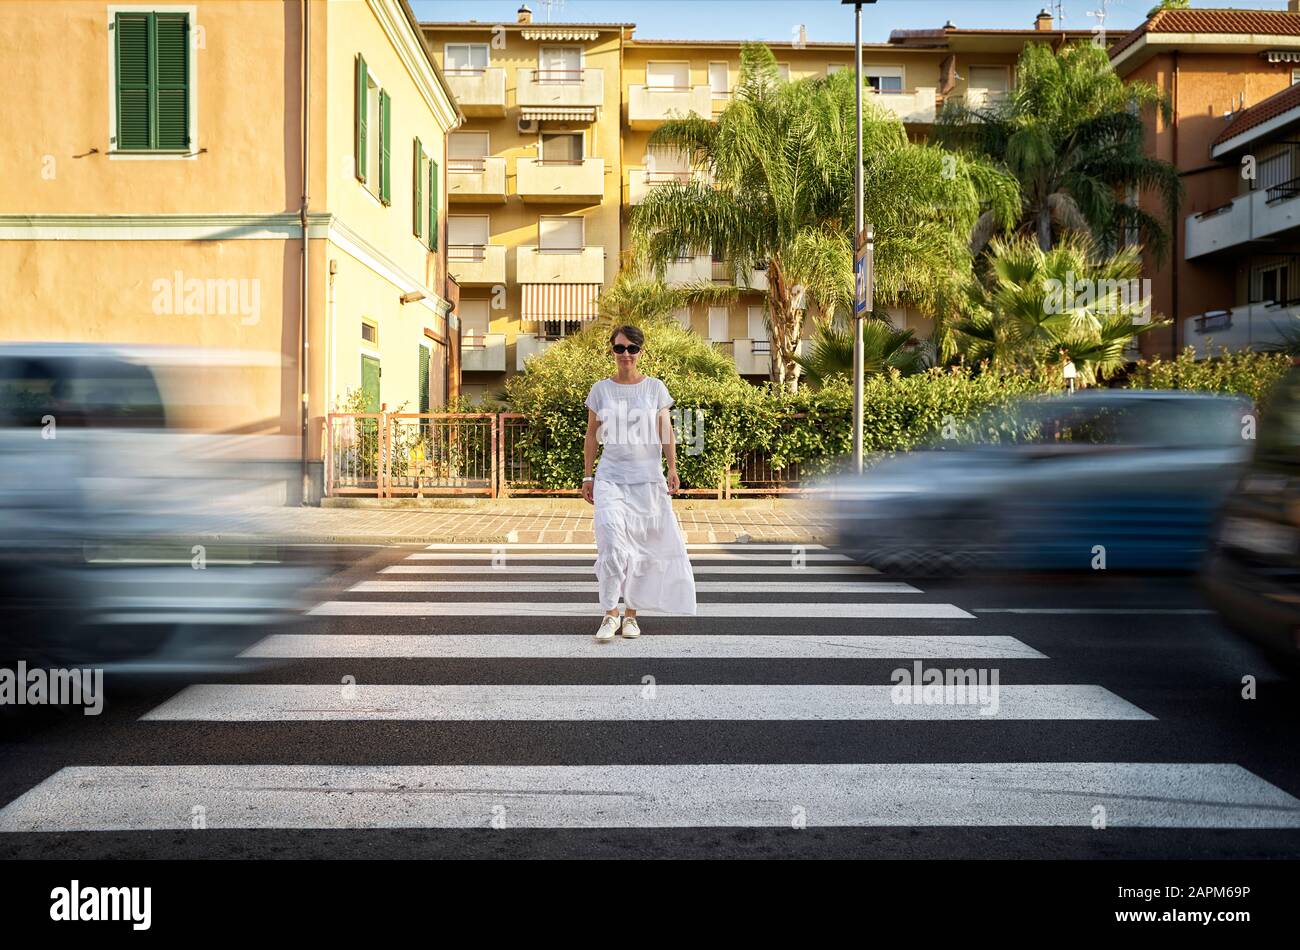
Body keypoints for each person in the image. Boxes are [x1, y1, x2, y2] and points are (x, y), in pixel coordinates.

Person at [582, 325, 697, 641]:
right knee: (610, 541)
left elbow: (666, 431)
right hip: (610, 479)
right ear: (612, 351)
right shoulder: (601, 390)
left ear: (640, 352)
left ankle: (631, 614)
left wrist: (672, 467)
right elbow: (592, 436)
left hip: (647, 480)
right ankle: (610, 613)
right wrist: (587, 475)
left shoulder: (655, 388)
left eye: (632, 348)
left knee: (641, 549)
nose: (626, 355)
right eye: (620, 348)